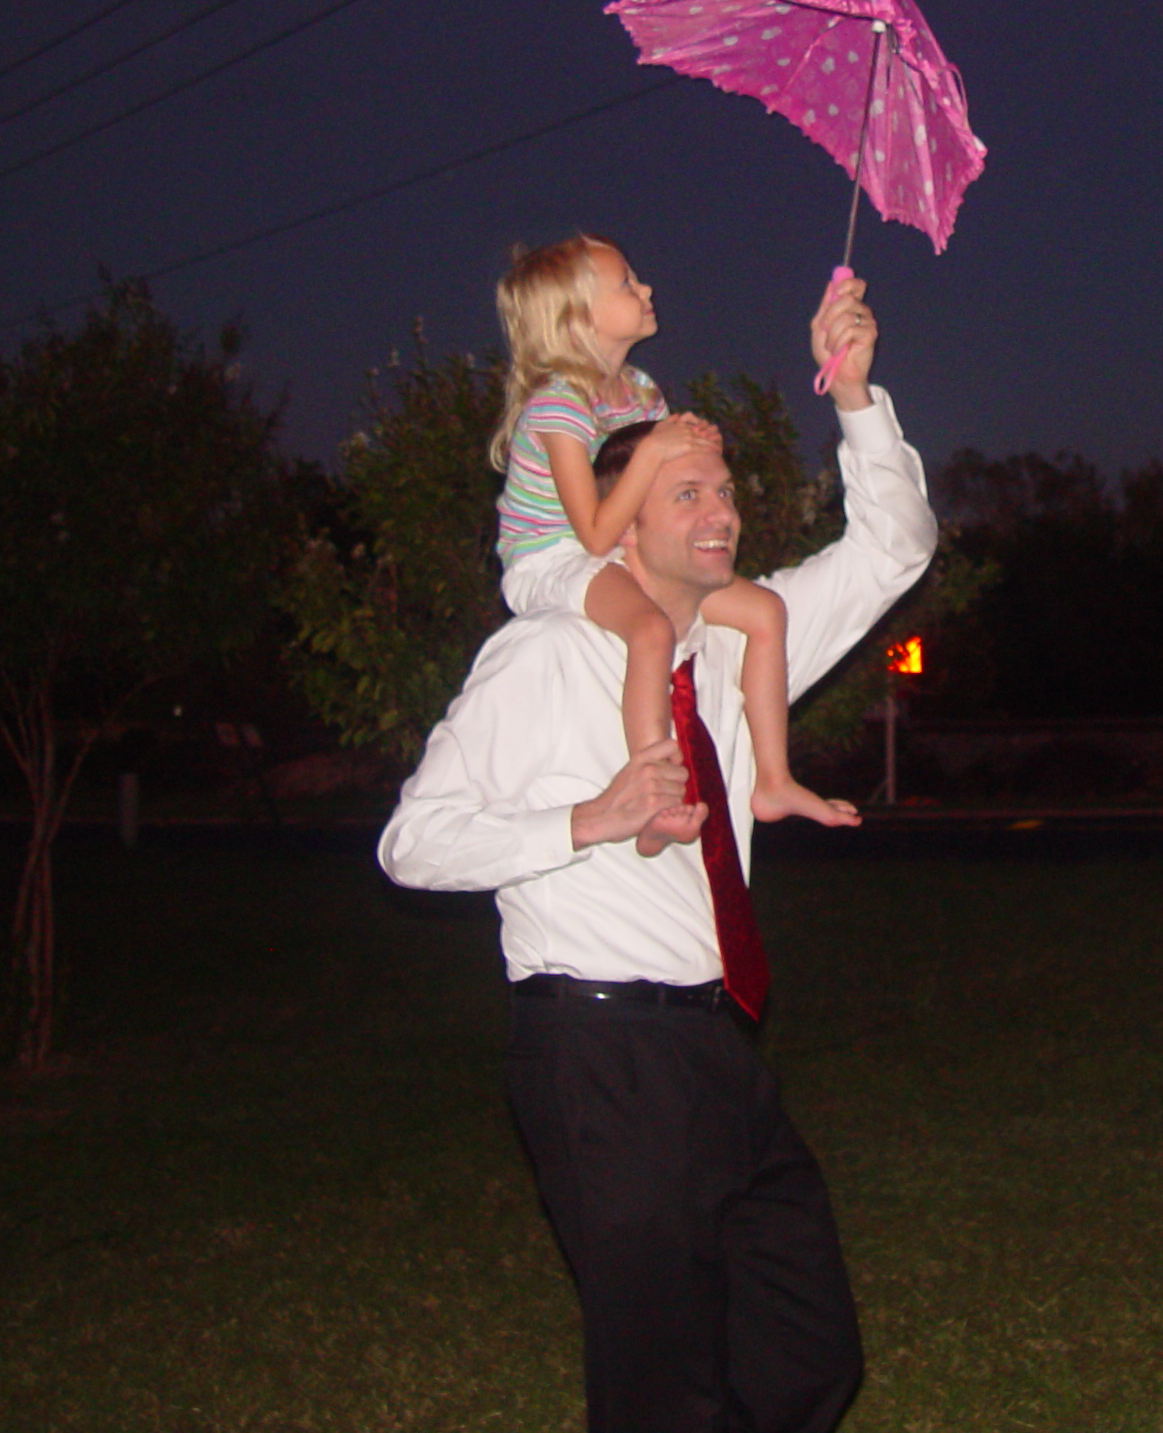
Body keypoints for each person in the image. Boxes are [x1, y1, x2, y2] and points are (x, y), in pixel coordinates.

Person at [380, 273, 932, 1433]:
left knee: (805, 1346)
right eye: (686, 494)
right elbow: (411, 844)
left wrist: (857, 397)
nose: (721, 512)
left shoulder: (739, 643)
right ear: (618, 525)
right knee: (661, 1387)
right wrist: (587, 820)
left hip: (718, 1047)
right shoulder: (538, 660)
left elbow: (893, 550)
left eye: (723, 489)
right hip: (595, 1057)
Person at [491, 235, 840, 835]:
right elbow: (595, 533)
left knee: (765, 611)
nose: (646, 289)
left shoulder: (638, 390)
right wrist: (655, 451)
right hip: (552, 559)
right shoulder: (558, 409)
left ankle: (774, 781)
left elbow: (651, 481)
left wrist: (692, 445)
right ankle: (651, 798)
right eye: (626, 283)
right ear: (578, 318)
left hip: (624, 548)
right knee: (650, 630)